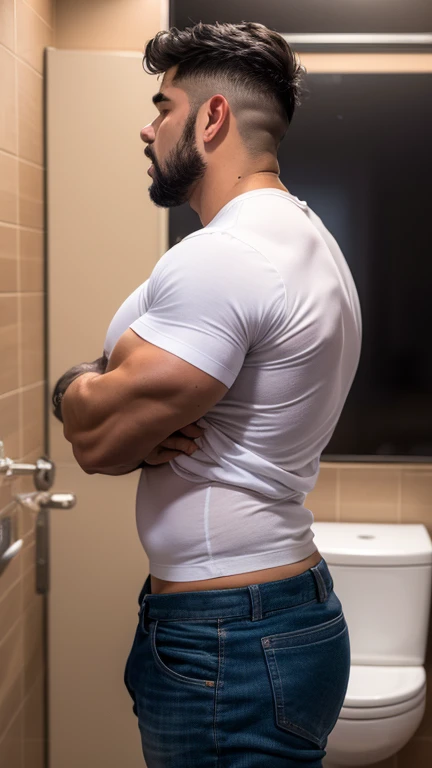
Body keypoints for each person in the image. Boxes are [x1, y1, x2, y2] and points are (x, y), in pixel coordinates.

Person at [58, 20, 362, 767]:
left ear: (212, 117)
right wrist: (87, 386)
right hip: (258, 618)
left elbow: (95, 441)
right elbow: (89, 391)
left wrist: (93, 393)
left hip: (229, 630)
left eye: (164, 106)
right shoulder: (299, 239)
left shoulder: (229, 258)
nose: (147, 126)